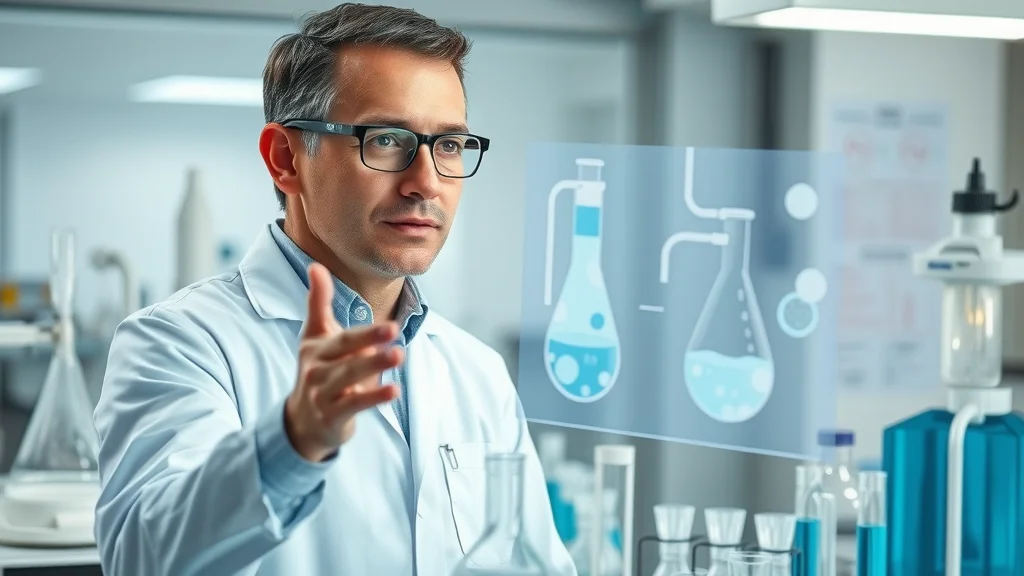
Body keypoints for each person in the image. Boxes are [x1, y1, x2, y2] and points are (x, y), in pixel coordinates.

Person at [92, 4, 576, 575]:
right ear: (286, 158)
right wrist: (292, 443)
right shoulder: (178, 344)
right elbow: (144, 558)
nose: (425, 183)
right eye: (387, 139)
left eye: (447, 146)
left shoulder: (477, 370)